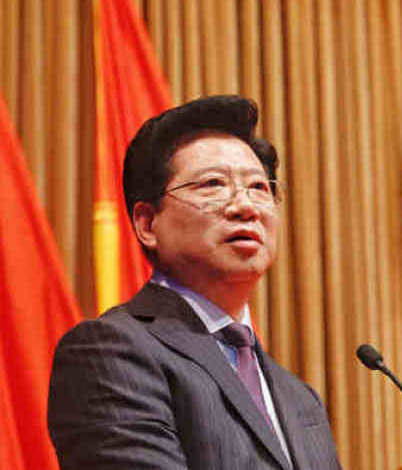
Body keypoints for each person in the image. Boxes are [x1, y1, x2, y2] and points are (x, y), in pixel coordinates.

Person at [47, 96, 342, 469]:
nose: (246, 206)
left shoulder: (300, 398)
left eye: (259, 187)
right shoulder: (111, 352)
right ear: (147, 224)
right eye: (213, 184)